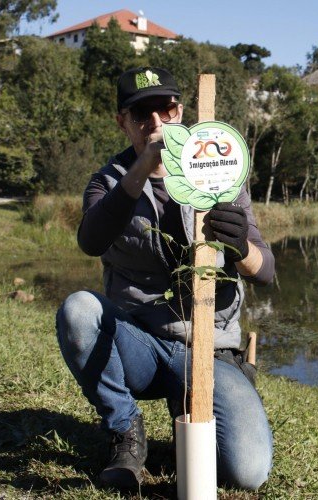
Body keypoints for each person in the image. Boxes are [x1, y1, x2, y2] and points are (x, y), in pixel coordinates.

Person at [55, 67, 274, 491]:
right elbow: (91, 239)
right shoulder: (108, 181)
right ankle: (125, 431)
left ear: (180, 110)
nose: (157, 123)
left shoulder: (219, 171)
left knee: (247, 472)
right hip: (143, 345)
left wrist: (239, 245)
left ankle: (209, 393)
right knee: (78, 310)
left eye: (166, 109)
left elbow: (266, 270)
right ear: (122, 122)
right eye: (142, 114)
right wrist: (143, 166)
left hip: (211, 347)